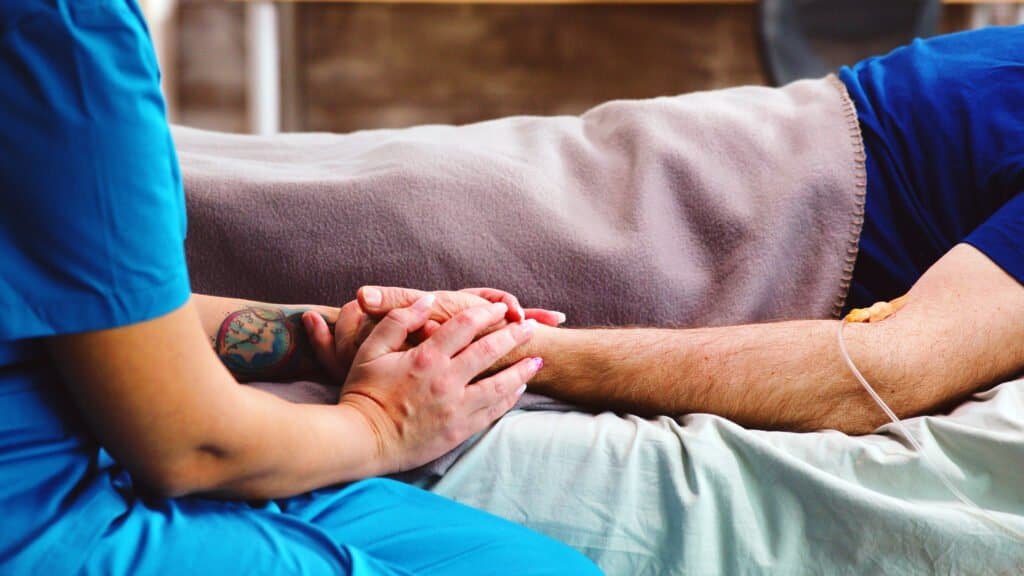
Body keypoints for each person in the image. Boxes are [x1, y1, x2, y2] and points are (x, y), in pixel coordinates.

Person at [0, 2, 601, 574]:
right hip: (42, 519)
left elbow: (100, 298)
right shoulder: (67, 33)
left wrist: (333, 332)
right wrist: (381, 426)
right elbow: (192, 448)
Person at [303, 25, 1024, 435]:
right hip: (757, 153)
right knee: (318, 187)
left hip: (765, 226)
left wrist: (505, 349)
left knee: (302, 221)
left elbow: (882, 373)